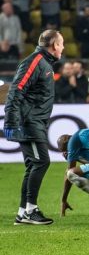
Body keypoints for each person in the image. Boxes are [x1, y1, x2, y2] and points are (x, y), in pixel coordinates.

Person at [4, 30, 65, 225]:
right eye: (61, 43)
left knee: (33, 165)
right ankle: (31, 210)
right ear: (54, 45)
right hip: (29, 122)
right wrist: (11, 122)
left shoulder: (43, 63)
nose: (63, 47)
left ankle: (23, 212)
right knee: (41, 162)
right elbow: (16, 90)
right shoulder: (35, 61)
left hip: (34, 121)